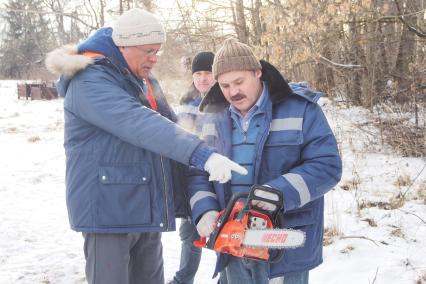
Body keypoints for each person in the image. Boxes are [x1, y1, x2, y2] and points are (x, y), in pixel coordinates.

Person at [45, 9, 247, 284]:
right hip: (108, 213)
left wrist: (201, 203)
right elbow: (141, 124)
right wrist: (203, 155)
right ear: (124, 45)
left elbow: (173, 128)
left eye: (158, 52)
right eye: (148, 51)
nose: (154, 59)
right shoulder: (90, 81)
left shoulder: (142, 80)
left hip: (144, 205)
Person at [187, 38, 342, 284]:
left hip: (283, 239)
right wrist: (205, 210)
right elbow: (198, 173)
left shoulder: (300, 108)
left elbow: (326, 166)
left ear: (257, 72)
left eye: (239, 82)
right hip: (231, 238)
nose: (233, 92)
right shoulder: (213, 117)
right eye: (225, 85)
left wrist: (272, 196)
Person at [168, 51, 215, 284]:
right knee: (189, 234)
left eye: (208, 73)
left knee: (222, 235)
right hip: (191, 178)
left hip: (217, 178)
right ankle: (183, 279)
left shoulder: (224, 101)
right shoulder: (187, 103)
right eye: (198, 73)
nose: (203, 78)